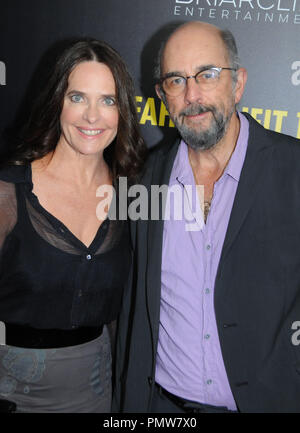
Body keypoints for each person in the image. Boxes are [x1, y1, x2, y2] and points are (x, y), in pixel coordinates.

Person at [113, 21, 300, 413]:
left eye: (207, 74)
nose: (192, 95)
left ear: (238, 83)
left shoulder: (293, 168)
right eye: (176, 80)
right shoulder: (142, 181)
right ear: (163, 95)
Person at [0, 38, 146, 412]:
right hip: (10, 393)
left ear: (123, 111)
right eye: (78, 97)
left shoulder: (134, 195)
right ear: (57, 103)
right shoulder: (8, 191)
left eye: (108, 100)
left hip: (96, 391)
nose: (92, 116)